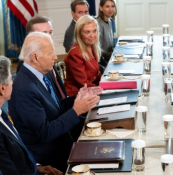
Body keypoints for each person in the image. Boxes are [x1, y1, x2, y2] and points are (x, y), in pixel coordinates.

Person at [8, 32, 100, 172]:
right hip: (51, 156)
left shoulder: (44, 73)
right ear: (35, 57)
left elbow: (57, 107)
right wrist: (76, 111)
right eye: (50, 53)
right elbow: (44, 133)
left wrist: (78, 98)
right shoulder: (25, 89)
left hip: (63, 141)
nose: (55, 57)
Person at [0, 56, 62, 175]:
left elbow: (15, 156)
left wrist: (36, 167)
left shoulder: (2, 114)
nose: (13, 82)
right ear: (2, 88)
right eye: (10, 78)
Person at [16, 15, 68, 100]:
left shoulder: (47, 56)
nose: (49, 36)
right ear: (31, 35)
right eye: (44, 33)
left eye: (50, 32)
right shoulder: (27, 63)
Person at [64, 15, 102, 96]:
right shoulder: (75, 53)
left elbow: (96, 73)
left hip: (91, 89)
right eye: (87, 32)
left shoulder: (91, 46)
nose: (92, 36)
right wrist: (103, 89)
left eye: (94, 31)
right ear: (79, 34)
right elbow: (83, 84)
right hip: (77, 95)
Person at [97, 0, 117, 67]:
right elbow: (98, 49)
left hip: (110, 56)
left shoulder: (110, 21)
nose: (110, 9)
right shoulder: (98, 24)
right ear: (101, 8)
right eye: (107, 6)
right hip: (103, 60)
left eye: (112, 6)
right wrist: (114, 54)